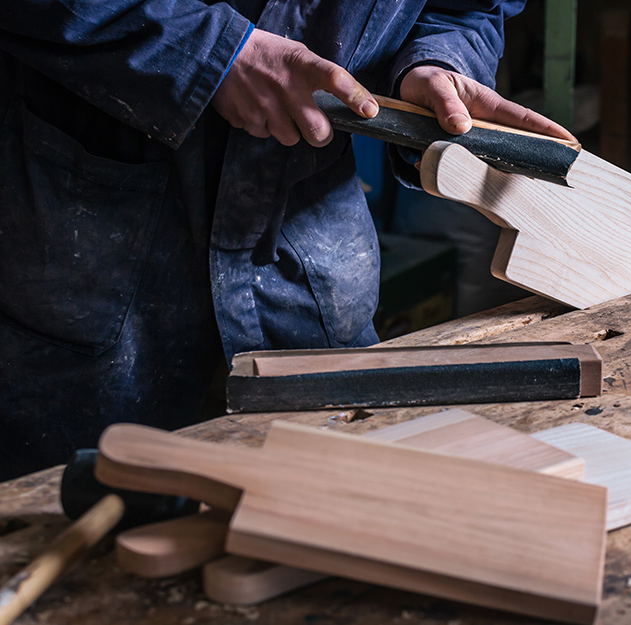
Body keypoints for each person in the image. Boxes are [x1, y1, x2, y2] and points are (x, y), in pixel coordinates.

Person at [0, 0, 573, 481]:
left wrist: (436, 59)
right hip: (84, 251)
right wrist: (208, 54)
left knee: (328, 513)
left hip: (308, 255)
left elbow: (468, 8)